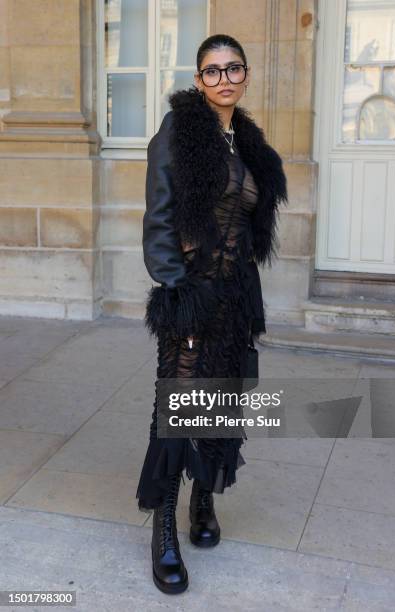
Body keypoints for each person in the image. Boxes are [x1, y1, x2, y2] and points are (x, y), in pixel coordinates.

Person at [135, 33, 288, 595]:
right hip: (193, 295)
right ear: (198, 80)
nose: (224, 79)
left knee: (221, 405)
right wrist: (179, 296)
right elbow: (158, 224)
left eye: (233, 69)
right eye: (212, 71)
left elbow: (248, 226)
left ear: (245, 76)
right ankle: (164, 535)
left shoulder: (244, 140)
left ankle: (203, 504)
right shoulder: (180, 133)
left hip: (236, 299)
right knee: (179, 410)